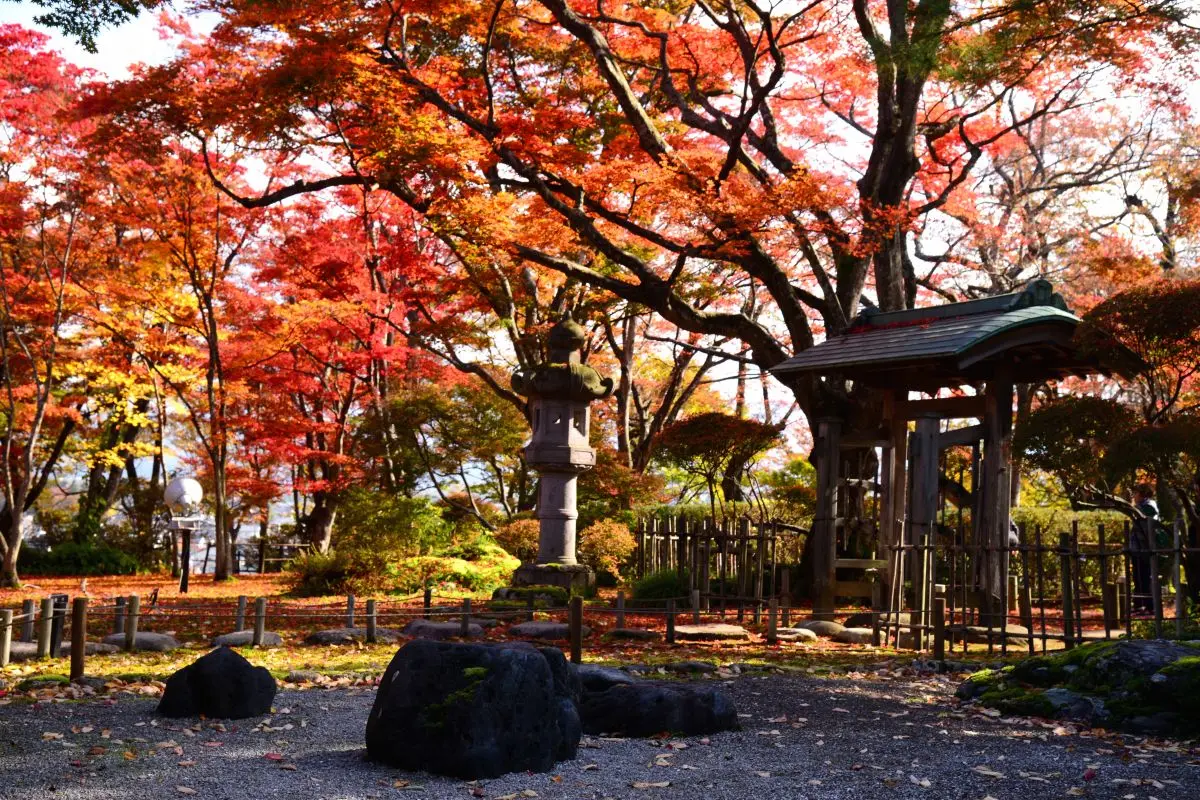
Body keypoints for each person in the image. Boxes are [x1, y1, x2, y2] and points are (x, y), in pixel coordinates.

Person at [1129, 483, 1159, 616]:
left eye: (1135, 493)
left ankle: (1147, 605)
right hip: (1138, 547)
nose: (1133, 496)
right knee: (1138, 576)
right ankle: (1140, 605)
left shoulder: (1147, 507)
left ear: (1142, 494)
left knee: (1144, 577)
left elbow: (1147, 527)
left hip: (1144, 547)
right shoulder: (1141, 507)